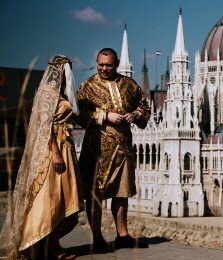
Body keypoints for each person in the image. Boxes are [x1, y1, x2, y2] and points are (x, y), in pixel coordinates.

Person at [0, 55, 83, 259]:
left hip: (66, 147)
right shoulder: (47, 93)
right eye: (67, 70)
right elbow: (44, 127)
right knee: (50, 198)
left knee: (65, 201)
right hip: (54, 151)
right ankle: (42, 247)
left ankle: (53, 247)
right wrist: (55, 152)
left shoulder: (61, 94)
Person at [76, 48, 150, 252]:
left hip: (123, 148)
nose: (104, 68)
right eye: (100, 64)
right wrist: (105, 116)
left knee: (122, 192)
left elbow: (144, 107)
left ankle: (123, 236)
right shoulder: (87, 86)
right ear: (96, 62)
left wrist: (134, 115)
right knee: (95, 194)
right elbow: (80, 114)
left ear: (116, 64)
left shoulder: (129, 85)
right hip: (97, 149)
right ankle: (98, 238)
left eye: (108, 65)